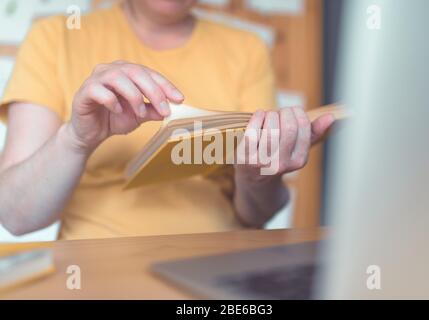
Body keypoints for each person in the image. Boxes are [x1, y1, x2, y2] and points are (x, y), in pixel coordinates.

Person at [0, 0, 334, 240]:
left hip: (212, 272)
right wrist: (76, 138)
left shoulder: (248, 50)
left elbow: (257, 215)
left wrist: (257, 177)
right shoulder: (55, 37)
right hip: (93, 274)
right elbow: (15, 215)